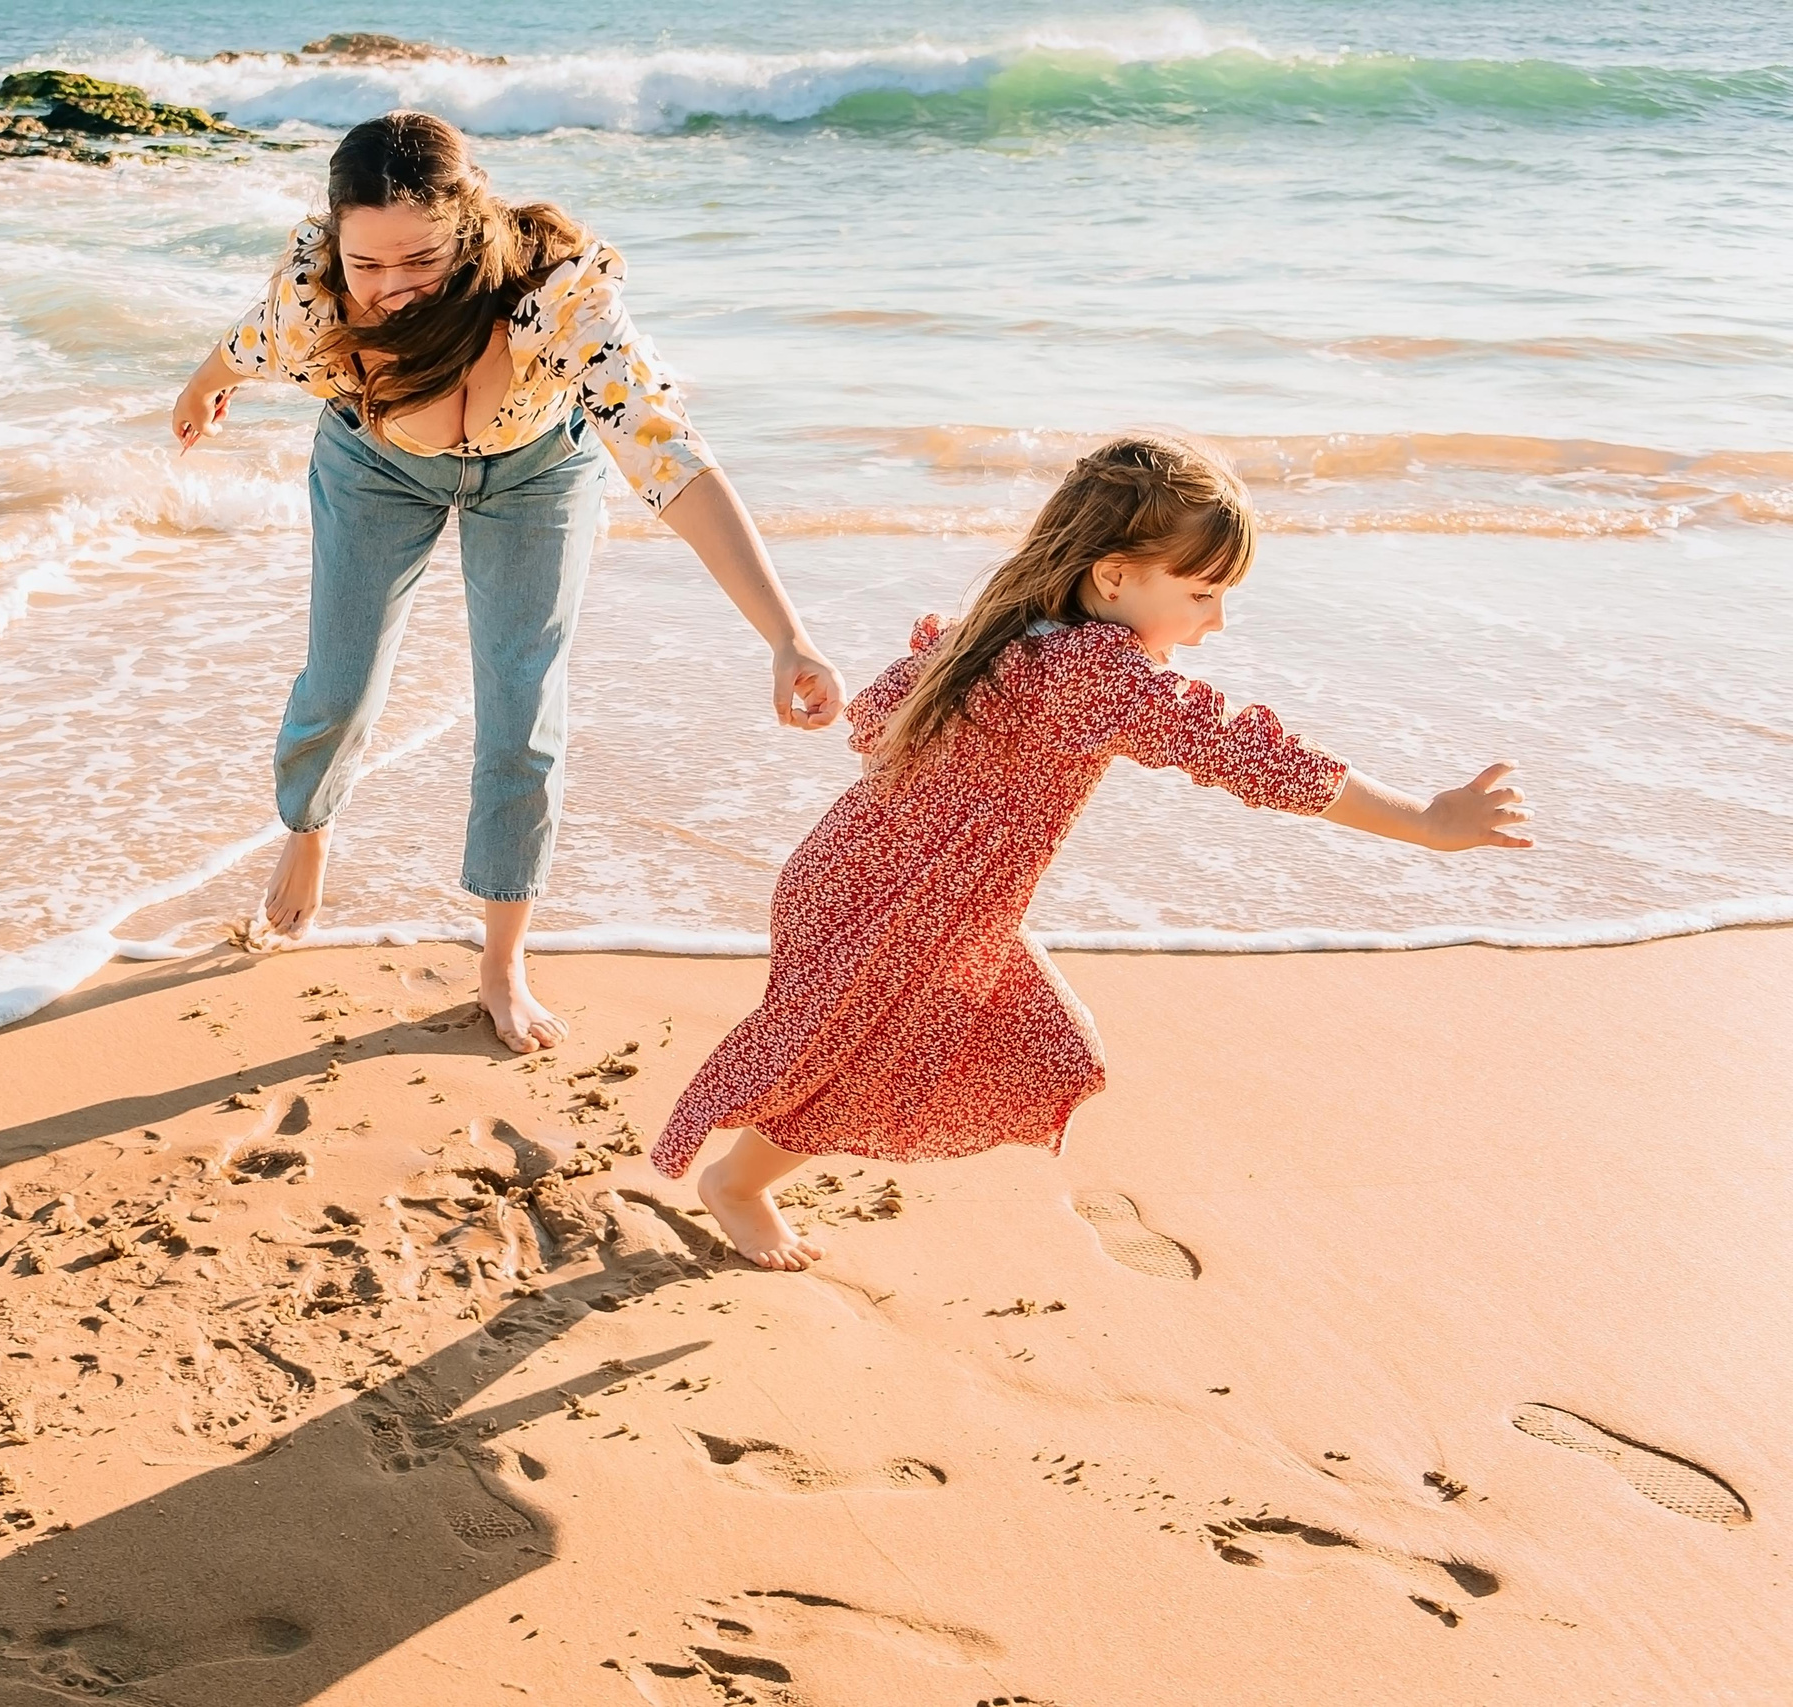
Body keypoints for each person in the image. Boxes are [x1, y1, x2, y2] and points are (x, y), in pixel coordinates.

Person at [649, 435, 1534, 1269]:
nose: (1216, 621)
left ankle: (746, 1170)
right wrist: (1423, 818)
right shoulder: (1094, 673)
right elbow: (1245, 751)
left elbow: (875, 726)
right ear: (1114, 576)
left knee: (998, 1048)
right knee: (857, 1053)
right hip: (904, 909)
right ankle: (736, 1181)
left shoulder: (995, 629)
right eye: (1200, 594)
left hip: (866, 880)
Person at [172, 110, 844, 1054]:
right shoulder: (317, 298)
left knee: (523, 710)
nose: (393, 288)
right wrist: (202, 385)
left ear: (470, 226)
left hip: (537, 474)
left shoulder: (559, 303)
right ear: (337, 242)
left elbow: (675, 460)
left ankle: (502, 963)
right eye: (369, 264)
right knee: (341, 680)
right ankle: (311, 829)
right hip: (375, 465)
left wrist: (787, 634)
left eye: (420, 261)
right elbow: (249, 341)